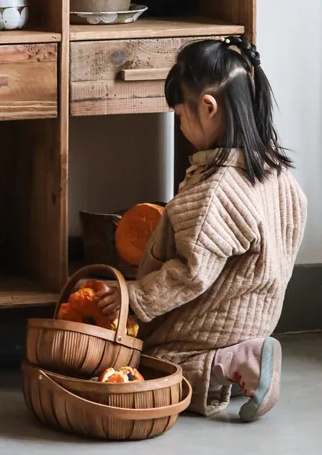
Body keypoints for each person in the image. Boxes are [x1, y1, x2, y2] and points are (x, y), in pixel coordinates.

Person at [97, 36, 306, 421]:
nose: (180, 126)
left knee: (151, 363)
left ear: (207, 108)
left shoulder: (214, 193)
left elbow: (190, 276)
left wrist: (137, 295)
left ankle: (230, 362)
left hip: (218, 323)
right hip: (256, 312)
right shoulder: (277, 175)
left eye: (180, 115)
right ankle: (241, 358)